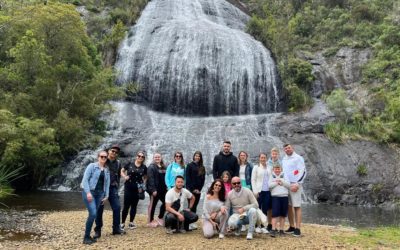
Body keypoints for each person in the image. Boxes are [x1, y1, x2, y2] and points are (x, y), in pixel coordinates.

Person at [94, 145, 125, 238]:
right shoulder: (103, 160)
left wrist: (116, 186)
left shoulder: (118, 163)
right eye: (112, 151)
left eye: (116, 152)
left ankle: (116, 229)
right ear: (108, 151)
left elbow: (118, 176)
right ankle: (98, 230)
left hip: (112, 188)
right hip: (101, 189)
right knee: (99, 209)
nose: (114, 153)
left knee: (117, 207)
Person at [81, 150, 110, 245]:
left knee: (93, 214)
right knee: (93, 213)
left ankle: (88, 236)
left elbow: (107, 184)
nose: (103, 158)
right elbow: (85, 180)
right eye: (102, 156)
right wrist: (88, 192)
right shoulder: (91, 166)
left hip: (100, 194)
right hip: (90, 192)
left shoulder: (106, 170)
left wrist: (106, 195)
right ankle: (86, 237)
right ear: (98, 157)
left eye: (105, 157)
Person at [282, 143, 307, 237]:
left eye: (289, 148)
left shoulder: (298, 158)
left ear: (292, 148)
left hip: (296, 184)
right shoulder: (284, 159)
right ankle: (292, 226)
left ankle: (298, 228)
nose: (287, 149)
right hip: (287, 184)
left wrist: (298, 183)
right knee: (289, 206)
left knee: (297, 206)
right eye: (285, 148)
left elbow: (303, 171)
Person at [120, 151, 147, 230]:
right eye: (139, 156)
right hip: (128, 186)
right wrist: (125, 176)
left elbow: (146, 176)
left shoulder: (144, 167)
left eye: (142, 157)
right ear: (136, 156)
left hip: (138, 188)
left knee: (134, 206)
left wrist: (143, 184)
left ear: (143, 158)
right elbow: (121, 171)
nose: (140, 158)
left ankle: (131, 223)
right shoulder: (130, 164)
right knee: (126, 205)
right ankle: (122, 223)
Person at [251, 153, 272, 234]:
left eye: (264, 157)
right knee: (258, 208)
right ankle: (257, 226)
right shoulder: (256, 167)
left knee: (265, 208)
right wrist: (255, 191)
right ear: (259, 158)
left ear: (266, 158)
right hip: (259, 191)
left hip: (267, 191)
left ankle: (263, 226)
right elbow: (253, 179)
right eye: (261, 157)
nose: (263, 159)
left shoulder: (269, 167)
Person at [268, 163, 290, 237]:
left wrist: (282, 182)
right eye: (276, 169)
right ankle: (273, 230)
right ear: (273, 169)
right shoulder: (271, 175)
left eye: (278, 168)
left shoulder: (285, 175)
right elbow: (269, 186)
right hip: (275, 196)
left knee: (283, 214)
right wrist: (276, 183)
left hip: (284, 196)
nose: (277, 170)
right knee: (274, 214)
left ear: (281, 169)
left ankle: (281, 230)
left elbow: (288, 185)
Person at [186, 151, 206, 230]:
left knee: (195, 206)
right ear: (193, 156)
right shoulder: (189, 165)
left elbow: (203, 180)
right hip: (190, 190)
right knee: (190, 206)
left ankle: (193, 222)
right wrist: (192, 189)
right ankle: (188, 223)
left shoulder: (202, 167)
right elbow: (188, 178)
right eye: (196, 156)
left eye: (199, 156)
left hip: (198, 190)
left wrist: (199, 189)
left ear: (200, 158)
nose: (197, 157)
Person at [146, 153, 168, 228]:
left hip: (163, 190)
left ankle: (160, 217)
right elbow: (150, 179)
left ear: (161, 158)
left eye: (158, 157)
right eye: (156, 157)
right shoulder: (151, 167)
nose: (157, 158)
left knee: (166, 203)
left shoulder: (164, 166)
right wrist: (153, 190)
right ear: (153, 158)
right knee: (153, 205)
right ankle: (150, 221)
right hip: (155, 190)